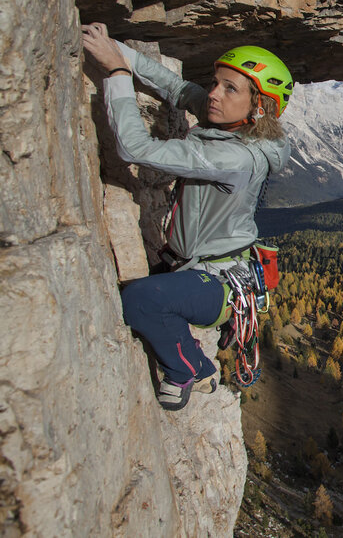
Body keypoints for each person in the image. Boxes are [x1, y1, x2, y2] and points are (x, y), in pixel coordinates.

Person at [81, 23, 293, 410]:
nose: (213, 94)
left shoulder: (235, 156)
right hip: (200, 263)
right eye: (216, 82)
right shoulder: (231, 124)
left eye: (231, 88)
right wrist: (116, 49)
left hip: (215, 280)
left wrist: (117, 73)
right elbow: (178, 89)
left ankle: (190, 370)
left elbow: (134, 147)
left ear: (258, 106)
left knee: (141, 301)